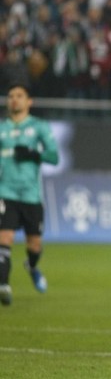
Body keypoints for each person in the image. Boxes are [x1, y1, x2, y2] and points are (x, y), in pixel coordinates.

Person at [0, 84, 59, 305]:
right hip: (6, 193)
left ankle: (32, 266)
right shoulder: (2, 128)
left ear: (29, 101)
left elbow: (54, 157)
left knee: (34, 245)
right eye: (11, 96)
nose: (14, 100)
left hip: (31, 196)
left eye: (19, 96)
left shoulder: (39, 127)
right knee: (4, 238)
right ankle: (3, 285)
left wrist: (34, 154)